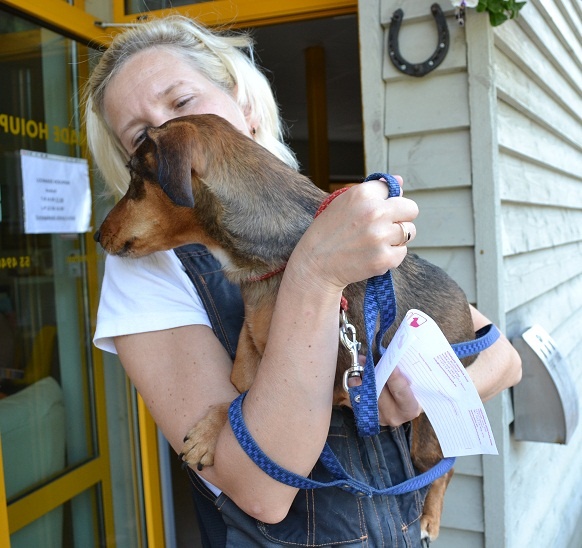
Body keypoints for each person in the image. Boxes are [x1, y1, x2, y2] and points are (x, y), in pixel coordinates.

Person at [85, 15, 522, 546]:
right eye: (141, 137)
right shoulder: (143, 275)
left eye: (182, 102)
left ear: (245, 108)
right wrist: (316, 272)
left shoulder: (325, 219)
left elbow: (503, 359)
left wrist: (427, 397)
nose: (172, 129)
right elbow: (261, 492)